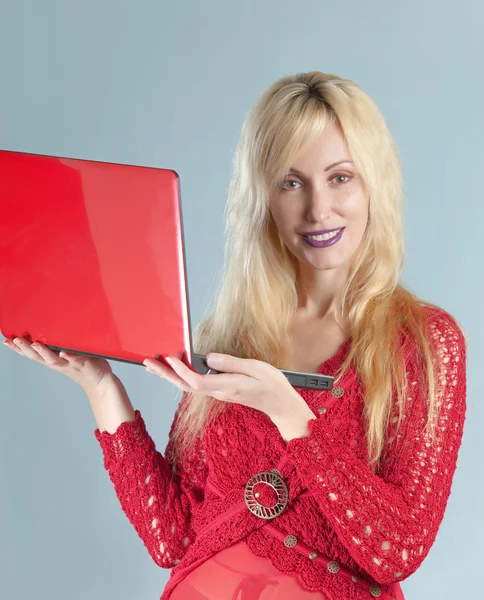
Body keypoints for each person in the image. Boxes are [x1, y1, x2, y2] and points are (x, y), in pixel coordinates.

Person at [3, 71, 467, 600]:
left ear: (374, 183)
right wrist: (100, 387)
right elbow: (173, 541)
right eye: (291, 183)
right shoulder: (229, 336)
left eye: (341, 177)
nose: (319, 209)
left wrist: (291, 415)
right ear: (264, 198)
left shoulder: (424, 342)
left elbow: (397, 548)